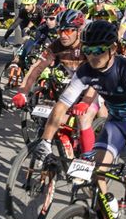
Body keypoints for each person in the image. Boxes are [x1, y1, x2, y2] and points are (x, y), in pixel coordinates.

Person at [33, 20, 126, 219]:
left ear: (113, 48)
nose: (92, 56)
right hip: (116, 124)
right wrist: (45, 140)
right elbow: (62, 106)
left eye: (98, 50)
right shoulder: (85, 71)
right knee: (95, 173)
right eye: (88, 50)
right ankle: (103, 216)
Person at [11, 9, 99, 158]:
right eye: (60, 31)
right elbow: (37, 67)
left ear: (78, 30)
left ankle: (87, 162)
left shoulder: (88, 44)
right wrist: (23, 92)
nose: (63, 35)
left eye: (69, 31)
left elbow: (98, 76)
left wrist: (86, 101)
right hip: (76, 83)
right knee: (56, 112)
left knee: (85, 117)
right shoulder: (56, 46)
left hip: (96, 83)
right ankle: (47, 147)